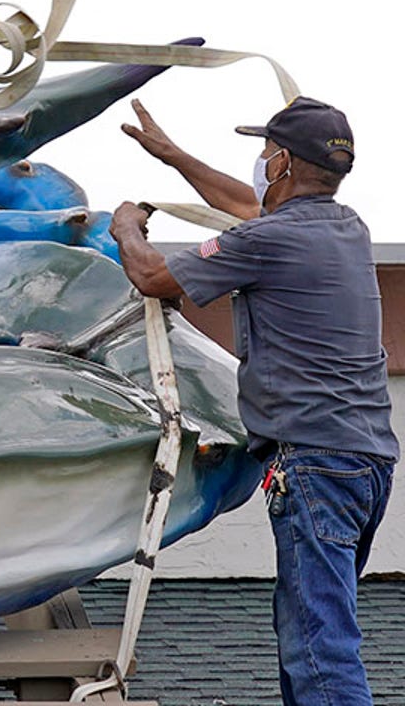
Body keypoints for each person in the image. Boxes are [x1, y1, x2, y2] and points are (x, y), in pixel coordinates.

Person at [109, 96, 394, 705]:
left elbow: (154, 278)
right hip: (365, 463)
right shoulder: (346, 228)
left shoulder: (271, 239)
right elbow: (243, 205)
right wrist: (173, 156)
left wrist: (125, 227)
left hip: (315, 464)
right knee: (310, 633)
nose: (260, 162)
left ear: (284, 161)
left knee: (320, 648)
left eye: (265, 152)